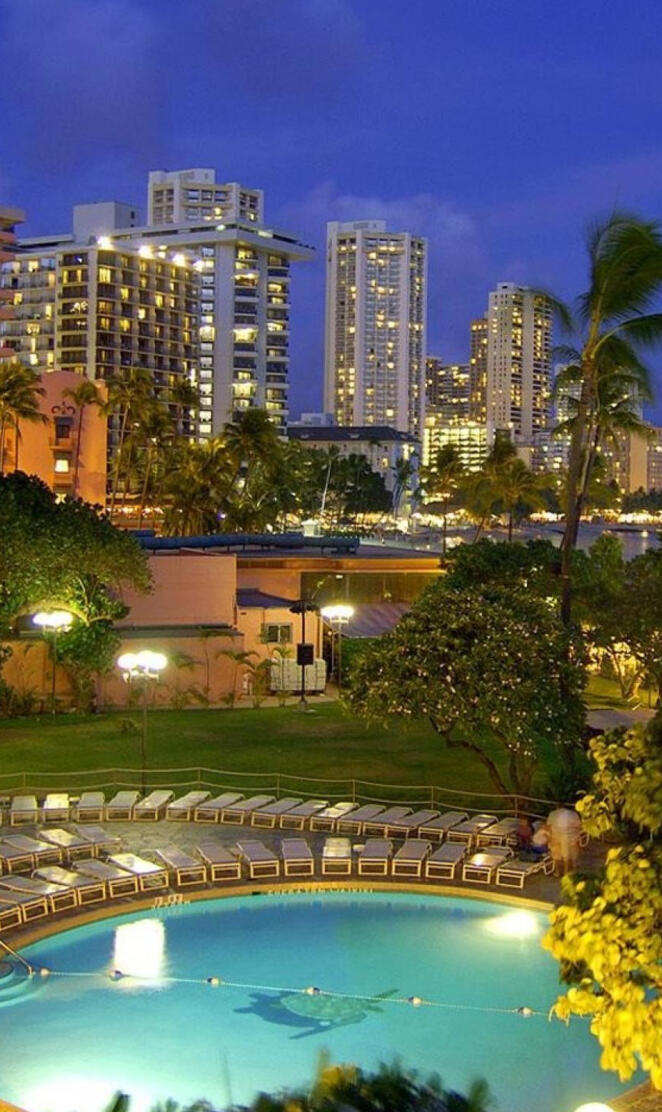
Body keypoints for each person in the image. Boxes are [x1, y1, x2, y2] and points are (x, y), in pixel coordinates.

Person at [547, 808, 583, 875]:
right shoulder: (572, 814)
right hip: (568, 837)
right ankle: (566, 871)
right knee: (567, 855)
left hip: (556, 836)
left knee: (556, 855)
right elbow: (579, 826)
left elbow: (549, 825)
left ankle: (557, 871)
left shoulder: (553, 814)